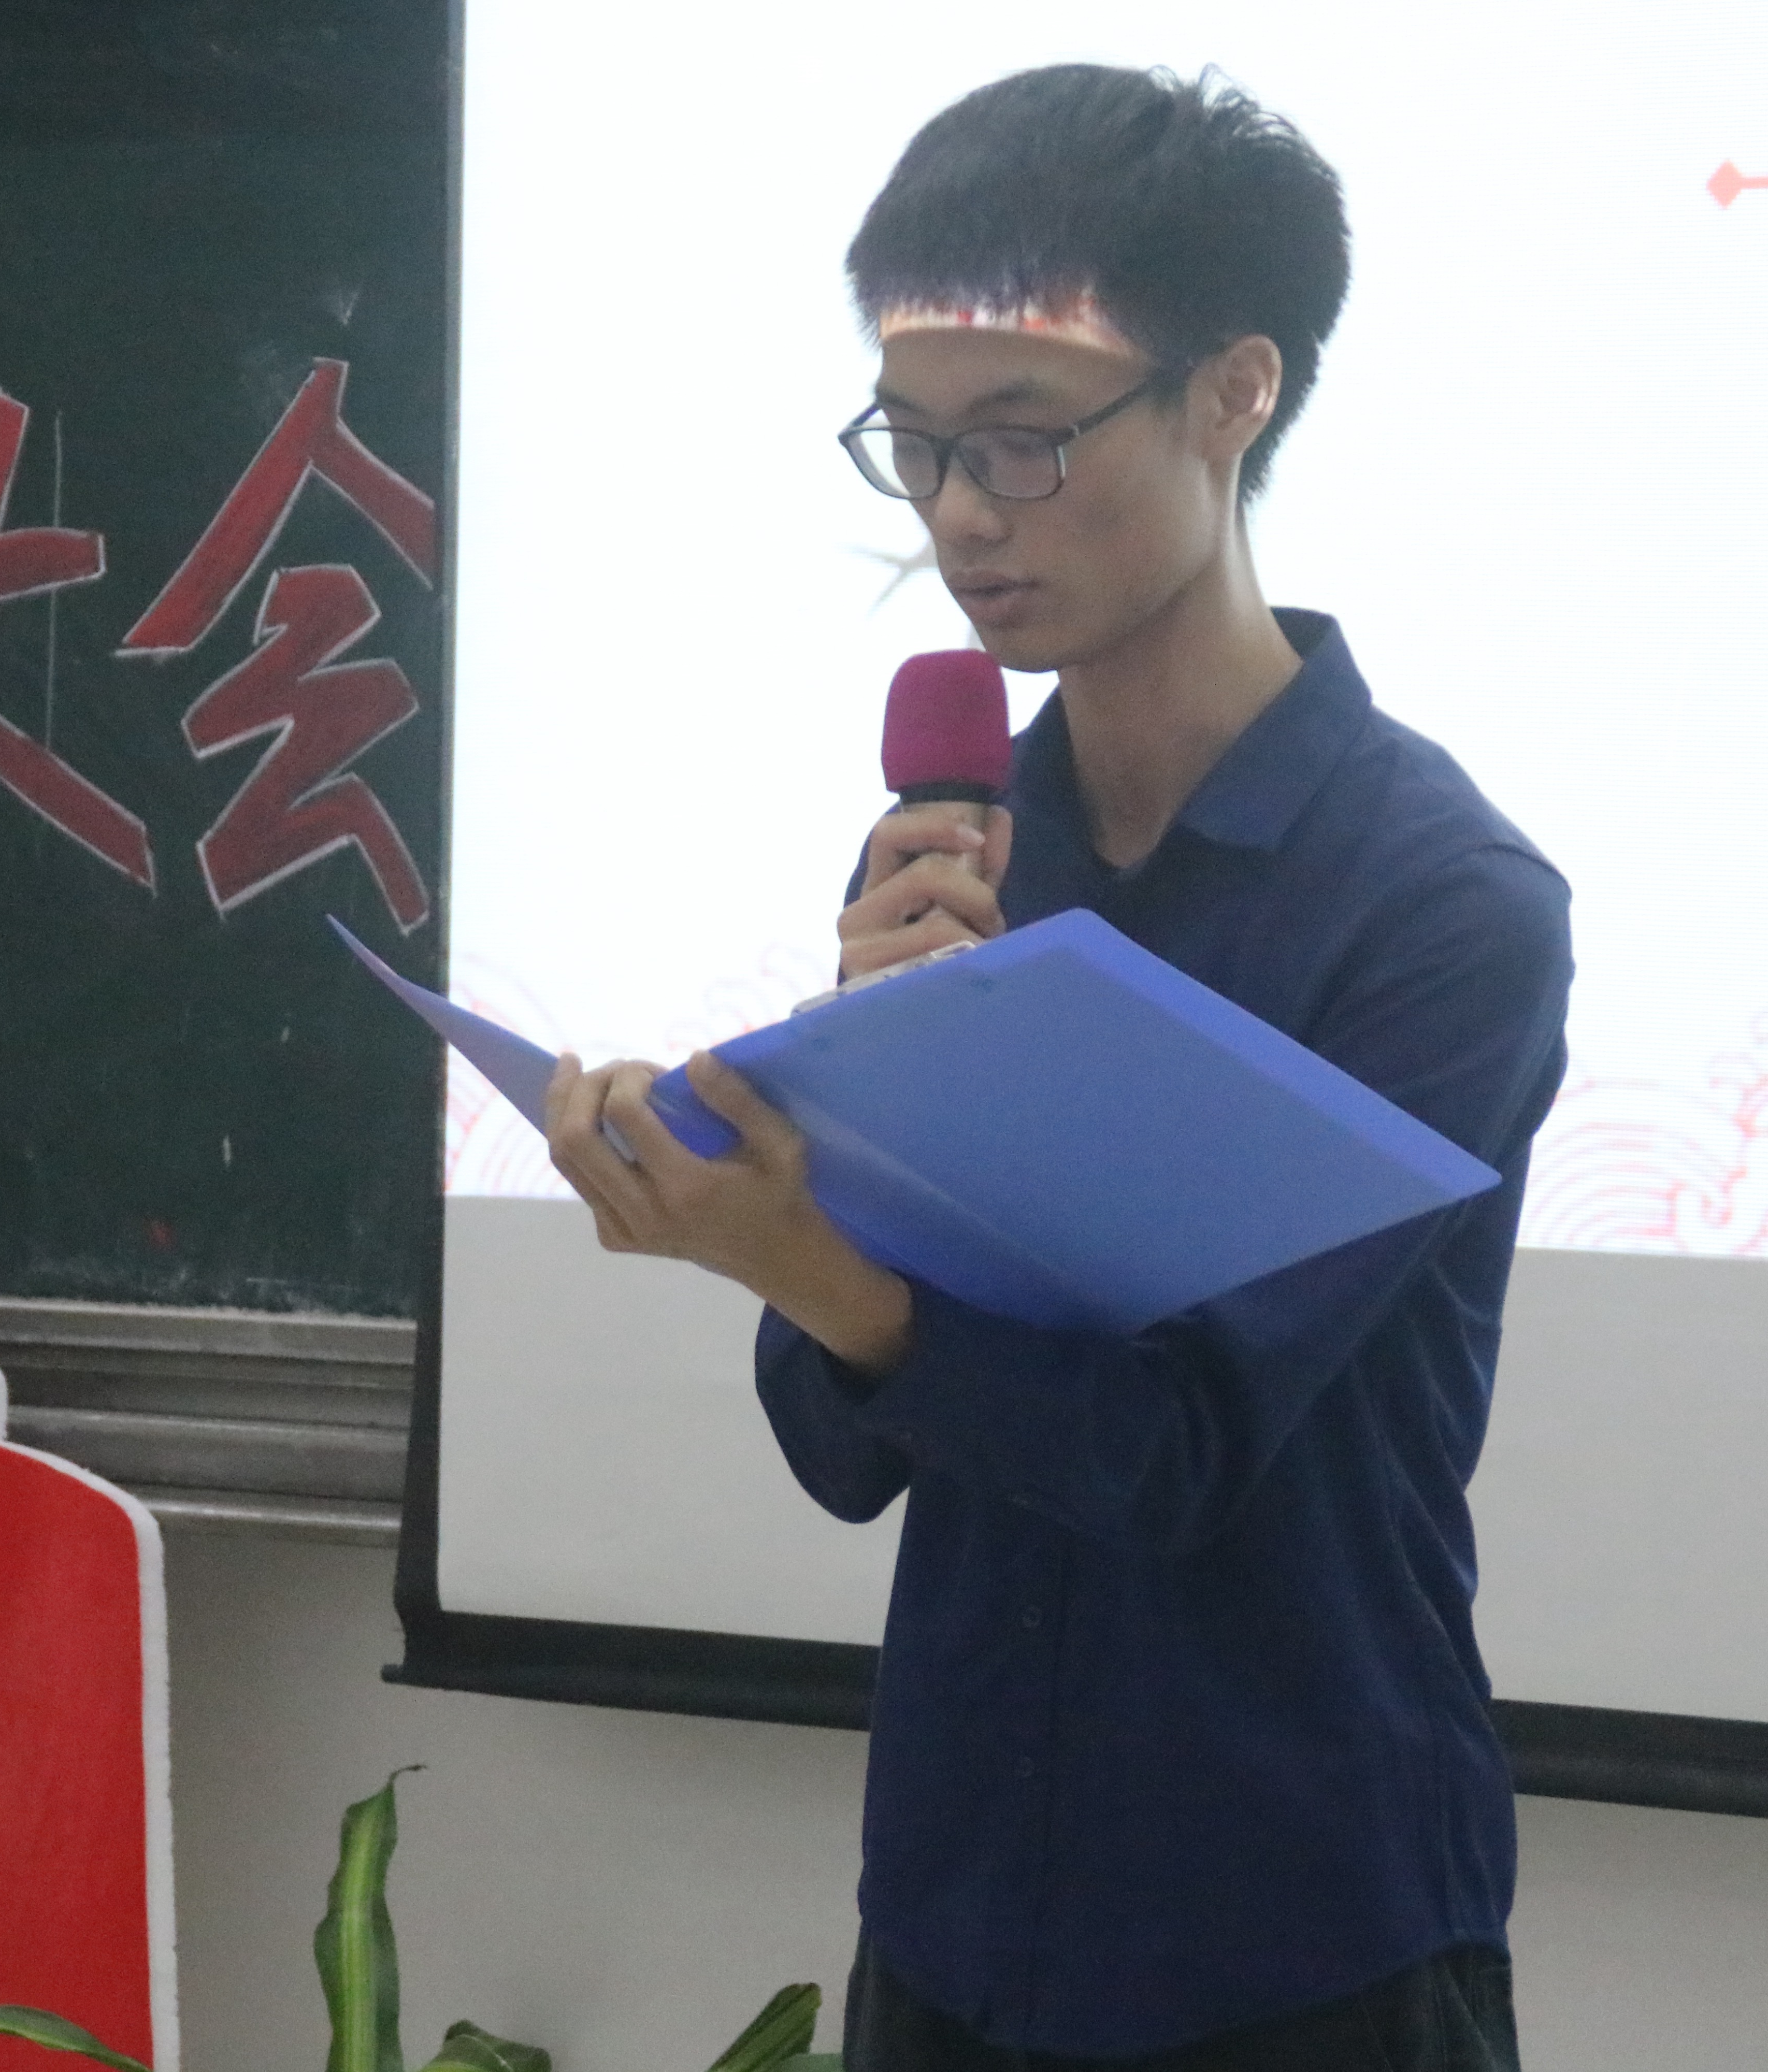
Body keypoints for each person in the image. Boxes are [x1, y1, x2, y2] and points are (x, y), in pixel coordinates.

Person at [540, 64, 1571, 2071]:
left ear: (1235, 391)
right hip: (958, 1910)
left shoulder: (1441, 907)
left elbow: (1176, 1454)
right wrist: (799, 1182)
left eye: (1022, 440)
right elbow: (848, 1450)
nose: (958, 515)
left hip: (1297, 1931)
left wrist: (806, 1256)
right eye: (916, 447)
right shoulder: (958, 848)